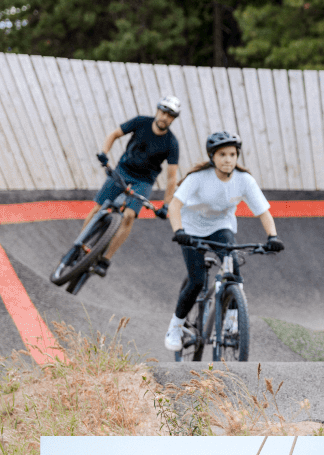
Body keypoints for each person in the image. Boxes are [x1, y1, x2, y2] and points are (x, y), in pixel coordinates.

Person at [164, 131, 284, 352]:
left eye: (232, 154)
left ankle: (232, 322)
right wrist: (179, 231)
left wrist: (273, 237)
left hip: (220, 227)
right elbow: (174, 205)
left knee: (234, 272)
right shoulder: (198, 178)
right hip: (191, 229)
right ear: (212, 157)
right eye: (222, 155)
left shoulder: (244, 180)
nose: (228, 159)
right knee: (197, 280)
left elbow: (263, 211)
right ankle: (176, 326)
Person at [83, 96, 182, 276]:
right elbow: (114, 134)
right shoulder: (141, 122)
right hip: (122, 171)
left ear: (173, 119)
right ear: (157, 110)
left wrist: (166, 205)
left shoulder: (171, 143)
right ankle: (80, 243)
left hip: (143, 181)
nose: (165, 117)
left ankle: (105, 260)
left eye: (170, 116)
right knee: (98, 207)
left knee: (129, 216)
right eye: (163, 112)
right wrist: (104, 153)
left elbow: (171, 178)